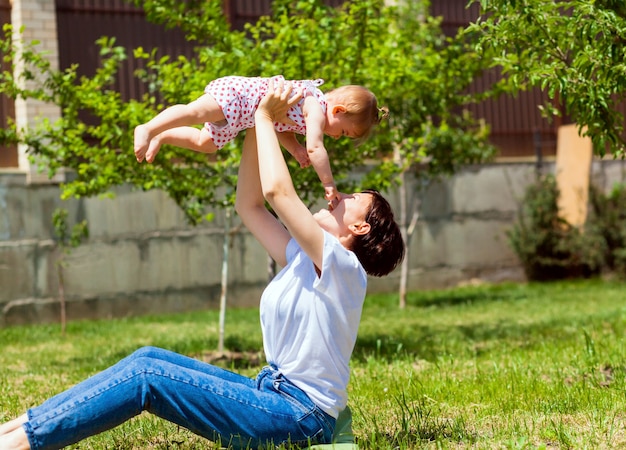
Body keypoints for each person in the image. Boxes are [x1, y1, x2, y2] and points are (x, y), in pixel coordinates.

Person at [0, 80, 404, 450]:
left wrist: (265, 117)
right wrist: (254, 114)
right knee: (149, 358)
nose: (337, 195)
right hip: (273, 394)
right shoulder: (305, 259)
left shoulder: (343, 268)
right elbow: (250, 205)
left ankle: (21, 443)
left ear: (359, 225)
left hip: (298, 417)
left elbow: (279, 192)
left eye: (350, 197)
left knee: (147, 377)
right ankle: (15, 430)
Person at [134, 75, 389, 207]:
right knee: (195, 112)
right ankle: (148, 127)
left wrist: (295, 149)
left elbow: (280, 126)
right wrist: (329, 183)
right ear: (338, 111)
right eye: (342, 132)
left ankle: (163, 135)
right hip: (239, 96)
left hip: (244, 118)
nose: (336, 137)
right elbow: (316, 146)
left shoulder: (308, 111)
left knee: (205, 143)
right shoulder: (314, 106)